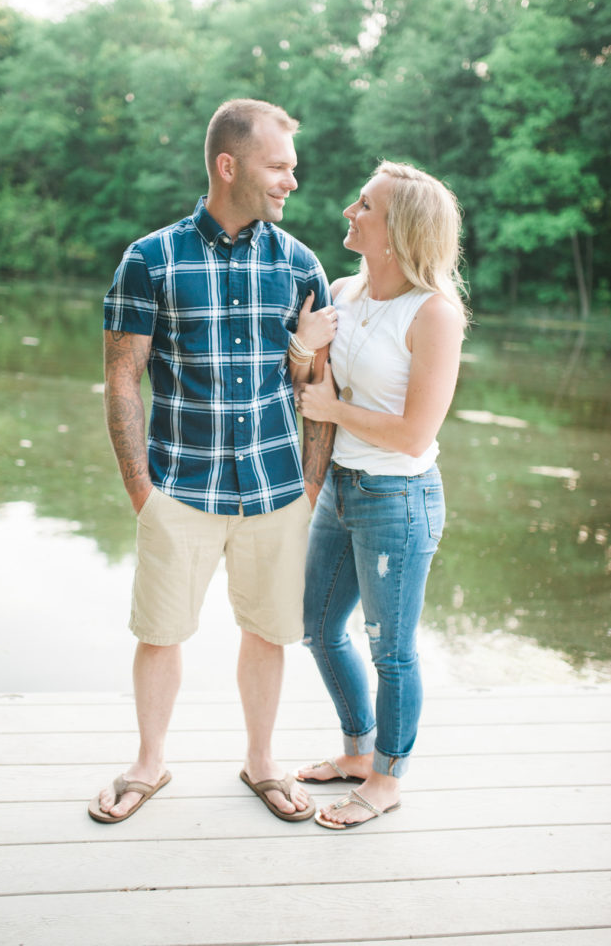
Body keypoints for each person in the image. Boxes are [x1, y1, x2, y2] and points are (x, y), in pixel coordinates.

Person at [88, 99, 337, 825]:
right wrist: (142, 490)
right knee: (159, 632)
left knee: (268, 631)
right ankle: (149, 763)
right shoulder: (150, 259)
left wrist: (310, 487)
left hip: (275, 490)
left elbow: (314, 385)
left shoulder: (300, 265)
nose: (293, 179)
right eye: (279, 166)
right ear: (229, 166)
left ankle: (261, 762)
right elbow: (121, 378)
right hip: (177, 485)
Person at [294, 160, 469, 829]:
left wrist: (332, 412)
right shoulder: (344, 289)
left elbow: (413, 433)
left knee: (390, 649)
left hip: (397, 499)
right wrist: (300, 350)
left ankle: (388, 777)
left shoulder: (433, 314)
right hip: (340, 489)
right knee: (314, 626)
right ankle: (357, 752)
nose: (348, 211)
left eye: (363, 205)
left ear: (395, 231)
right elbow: (312, 386)